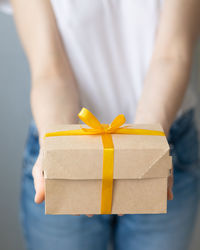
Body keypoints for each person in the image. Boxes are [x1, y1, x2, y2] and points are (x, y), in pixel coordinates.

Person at [1, 0, 200, 249]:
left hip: (167, 142)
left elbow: (173, 54)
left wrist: (148, 151)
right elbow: (50, 72)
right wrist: (56, 151)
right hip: (70, 147)